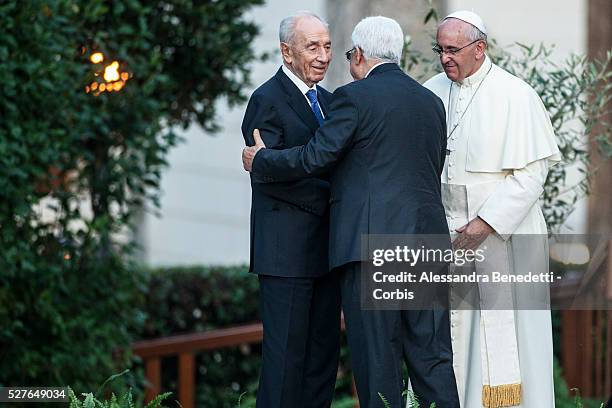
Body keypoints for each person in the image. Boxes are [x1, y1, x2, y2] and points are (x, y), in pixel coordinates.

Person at [244, 16, 460, 408]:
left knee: (380, 364)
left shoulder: (351, 98)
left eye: (336, 50)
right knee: (433, 358)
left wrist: (262, 160)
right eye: (315, 47)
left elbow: (315, 157)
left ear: (359, 54)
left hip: (370, 249)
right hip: (426, 244)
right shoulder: (431, 102)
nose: (328, 58)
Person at [423, 10, 561, 408]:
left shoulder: (516, 95)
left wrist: (483, 224)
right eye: (440, 49)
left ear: (479, 49)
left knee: (509, 337)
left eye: (453, 50)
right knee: (453, 333)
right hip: (448, 233)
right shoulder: (430, 90)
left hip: (506, 236)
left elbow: (532, 174)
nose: (444, 58)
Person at [240, 11, 341, 408]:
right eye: (311, 46)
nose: (323, 55)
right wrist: (335, 196)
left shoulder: (333, 104)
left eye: (328, 45)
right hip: (285, 257)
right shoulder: (266, 99)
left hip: (327, 254)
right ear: (286, 51)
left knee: (322, 363)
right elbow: (269, 175)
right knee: (284, 364)